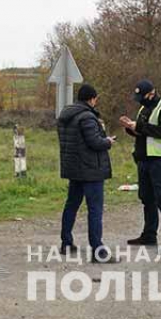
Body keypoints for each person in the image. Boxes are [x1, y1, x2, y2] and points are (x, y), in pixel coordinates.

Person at [57, 84, 118, 262]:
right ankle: (98, 251)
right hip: (91, 170)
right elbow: (95, 142)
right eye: (96, 99)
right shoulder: (87, 117)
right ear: (91, 99)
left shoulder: (66, 116)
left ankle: (66, 243)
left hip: (74, 168)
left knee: (72, 205)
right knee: (95, 209)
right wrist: (107, 141)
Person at [118, 79, 161, 253]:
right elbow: (143, 132)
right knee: (146, 198)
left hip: (160, 160)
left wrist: (139, 126)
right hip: (144, 160)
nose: (139, 101)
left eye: (142, 97)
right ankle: (149, 235)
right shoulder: (144, 108)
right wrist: (130, 127)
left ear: (151, 93)